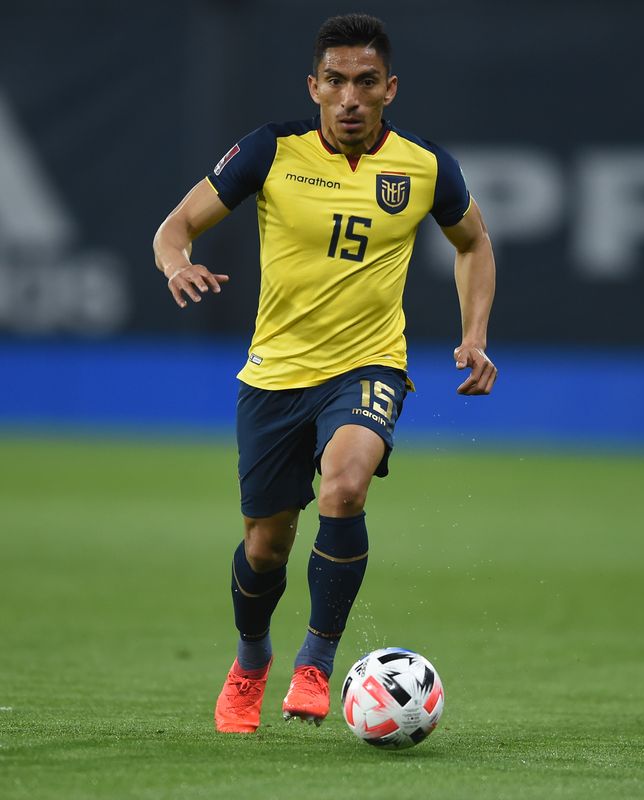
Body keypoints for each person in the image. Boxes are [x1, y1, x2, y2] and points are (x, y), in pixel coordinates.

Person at [153, 13, 497, 734]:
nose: (349, 98)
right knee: (265, 545)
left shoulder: (424, 166)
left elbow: (474, 242)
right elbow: (175, 226)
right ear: (313, 86)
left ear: (389, 89)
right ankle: (251, 661)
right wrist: (177, 264)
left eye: (365, 83)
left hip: (369, 366)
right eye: (335, 82)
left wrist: (473, 335)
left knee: (344, 486)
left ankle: (317, 661)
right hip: (275, 376)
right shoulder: (269, 152)